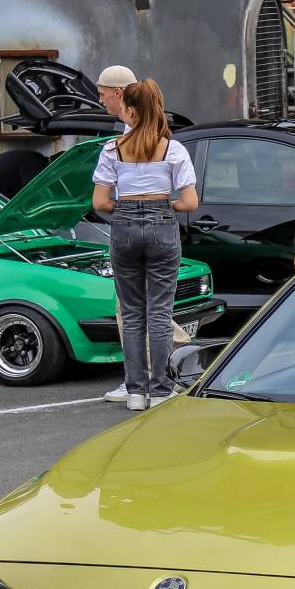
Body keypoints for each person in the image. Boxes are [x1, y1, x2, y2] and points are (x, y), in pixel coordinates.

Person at [93, 78, 198, 410]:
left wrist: (126, 209)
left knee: (132, 313)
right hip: (161, 226)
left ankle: (136, 391)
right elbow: (190, 202)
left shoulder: (112, 149)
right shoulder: (172, 149)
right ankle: (161, 389)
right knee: (160, 312)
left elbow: (100, 202)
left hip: (123, 227)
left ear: (130, 111)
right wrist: (166, 205)